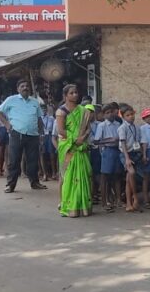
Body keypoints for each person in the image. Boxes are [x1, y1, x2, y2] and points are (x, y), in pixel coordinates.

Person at [0, 80, 47, 193]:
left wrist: (41, 133)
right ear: (18, 89)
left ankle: (35, 183)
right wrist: (7, 124)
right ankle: (10, 185)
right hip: (17, 133)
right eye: (22, 86)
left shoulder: (34, 102)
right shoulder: (11, 99)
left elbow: (39, 118)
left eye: (27, 86)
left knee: (33, 160)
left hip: (33, 135)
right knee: (14, 160)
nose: (25, 88)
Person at [57, 85, 93, 218]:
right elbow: (60, 131)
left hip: (82, 146)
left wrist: (83, 138)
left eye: (76, 92)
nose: (75, 95)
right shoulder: (61, 112)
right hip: (68, 148)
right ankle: (69, 206)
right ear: (65, 95)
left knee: (85, 176)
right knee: (69, 178)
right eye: (71, 93)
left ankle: (83, 206)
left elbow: (88, 128)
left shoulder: (84, 111)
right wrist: (74, 140)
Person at [96, 104, 123, 212]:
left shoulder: (118, 124)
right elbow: (97, 141)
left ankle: (118, 200)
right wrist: (110, 140)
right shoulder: (102, 126)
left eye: (111, 112)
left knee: (117, 176)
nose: (110, 114)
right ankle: (104, 201)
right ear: (103, 115)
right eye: (107, 113)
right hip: (107, 150)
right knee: (105, 177)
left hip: (117, 150)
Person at [118, 104, 143, 212]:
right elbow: (123, 144)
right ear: (123, 117)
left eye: (132, 114)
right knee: (131, 173)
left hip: (135, 153)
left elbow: (139, 142)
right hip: (126, 153)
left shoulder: (137, 127)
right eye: (128, 115)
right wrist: (127, 158)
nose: (131, 117)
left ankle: (129, 203)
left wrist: (141, 153)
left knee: (129, 179)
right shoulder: (122, 128)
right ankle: (135, 197)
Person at [138, 108, 150, 210]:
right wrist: (144, 155)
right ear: (144, 119)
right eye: (147, 117)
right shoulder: (143, 128)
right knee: (146, 177)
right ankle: (146, 200)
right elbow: (143, 143)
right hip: (148, 151)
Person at [42, 105, 58, 181]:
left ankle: (54, 173)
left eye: (44, 109)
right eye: (42, 109)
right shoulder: (39, 118)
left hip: (49, 136)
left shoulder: (51, 118)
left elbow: (53, 129)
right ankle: (45, 174)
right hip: (42, 136)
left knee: (52, 155)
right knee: (42, 155)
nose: (43, 110)